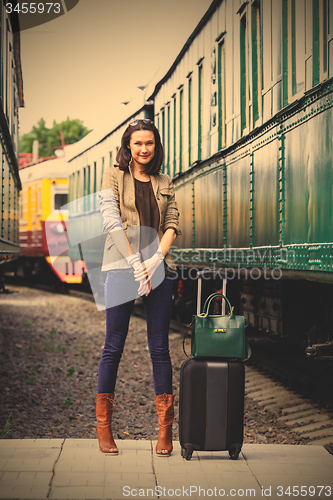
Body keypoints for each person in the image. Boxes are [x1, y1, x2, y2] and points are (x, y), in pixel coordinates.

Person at [96, 119, 181, 457]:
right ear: (127, 147)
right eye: (138, 144)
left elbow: (172, 224)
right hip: (121, 267)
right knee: (113, 346)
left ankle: (165, 431)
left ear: (155, 146)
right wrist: (135, 262)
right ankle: (104, 428)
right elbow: (110, 220)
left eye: (150, 143)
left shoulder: (164, 181)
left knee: (159, 349)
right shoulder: (113, 176)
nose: (144, 149)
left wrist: (155, 260)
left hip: (158, 269)